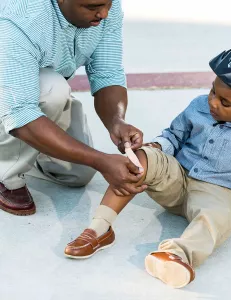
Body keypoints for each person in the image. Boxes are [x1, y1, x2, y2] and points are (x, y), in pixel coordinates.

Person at [65, 44, 231, 288]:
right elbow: (175, 136)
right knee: (139, 159)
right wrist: (156, 147)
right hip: (175, 177)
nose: (213, 103)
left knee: (217, 219)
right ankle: (99, 228)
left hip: (217, 191)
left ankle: (177, 255)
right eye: (212, 92)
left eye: (225, 103)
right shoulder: (199, 105)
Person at [0, 0, 146, 216]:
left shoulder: (105, 8)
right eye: (92, 6)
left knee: (78, 173)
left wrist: (117, 121)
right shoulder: (19, 19)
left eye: (108, 3)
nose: (104, 13)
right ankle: (6, 175)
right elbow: (21, 114)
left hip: (32, 88)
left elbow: (107, 73)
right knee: (52, 88)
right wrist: (100, 160)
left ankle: (32, 147)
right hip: (13, 94)